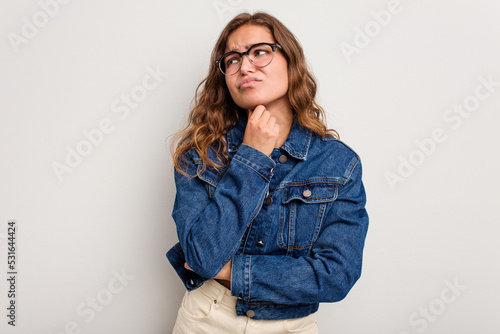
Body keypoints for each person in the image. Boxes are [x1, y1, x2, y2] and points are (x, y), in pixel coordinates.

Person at [166, 11, 368, 334]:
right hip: (205, 319)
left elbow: (337, 274)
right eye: (232, 60)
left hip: (292, 325)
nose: (245, 67)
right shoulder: (200, 153)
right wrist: (252, 156)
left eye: (259, 52)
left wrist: (234, 271)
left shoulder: (338, 164)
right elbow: (202, 257)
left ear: (290, 60)